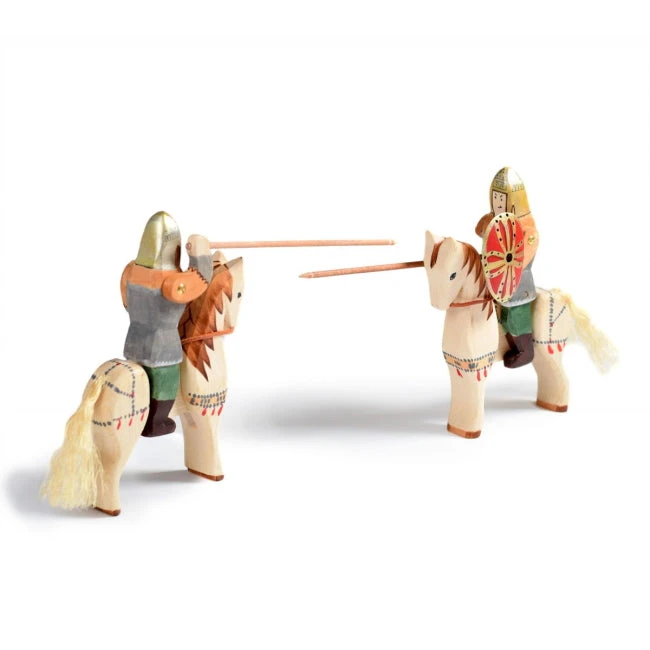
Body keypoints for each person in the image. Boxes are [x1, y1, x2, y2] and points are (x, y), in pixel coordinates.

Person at [121, 211, 213, 436]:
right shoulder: (172, 282)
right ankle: (156, 422)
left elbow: (125, 301)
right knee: (166, 380)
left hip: (134, 340)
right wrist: (200, 254)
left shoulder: (131, 271)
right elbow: (201, 280)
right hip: (163, 345)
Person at [475, 167, 539, 368]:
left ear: (513, 200)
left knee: (514, 316)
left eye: (501, 198)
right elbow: (479, 231)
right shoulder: (494, 218)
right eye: (495, 197)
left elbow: (520, 258)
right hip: (493, 277)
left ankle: (525, 351)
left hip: (516, 284)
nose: (497, 202)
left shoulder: (527, 227)